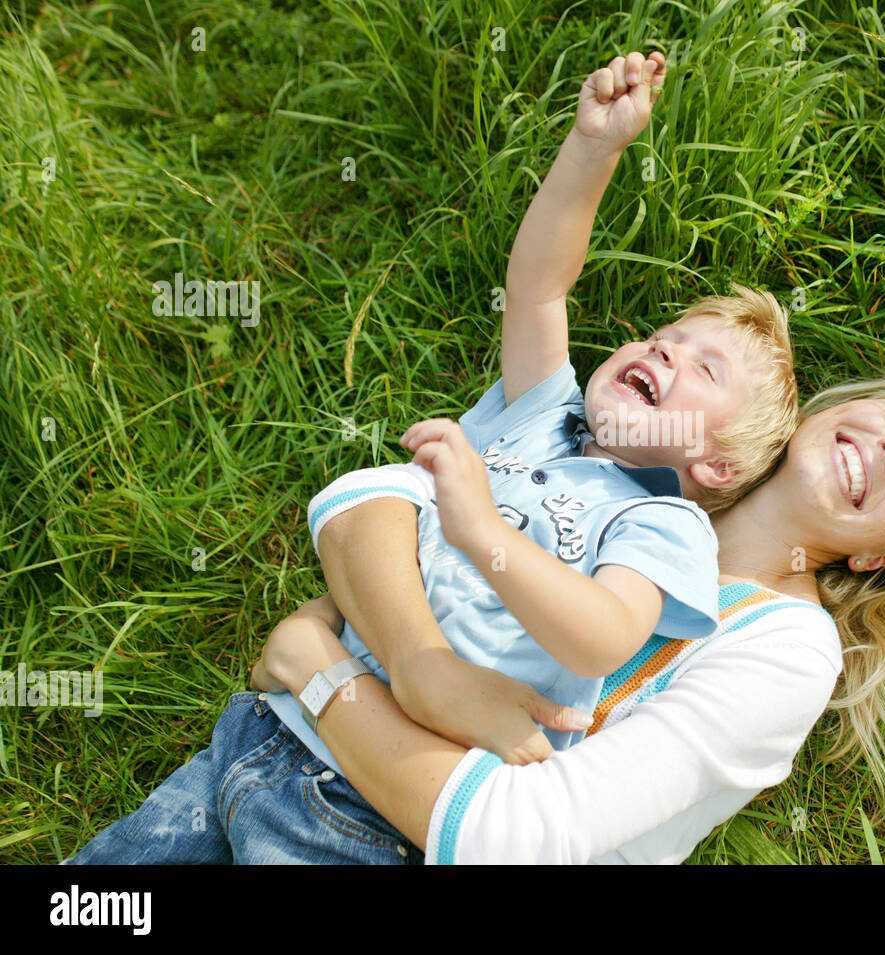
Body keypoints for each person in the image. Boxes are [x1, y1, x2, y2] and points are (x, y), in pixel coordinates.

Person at [65, 50, 800, 865]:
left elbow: (600, 637)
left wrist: (483, 525)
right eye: (663, 339)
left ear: (718, 467)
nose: (662, 354)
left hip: (374, 806)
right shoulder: (541, 417)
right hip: (275, 726)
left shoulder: (662, 522)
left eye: (702, 369)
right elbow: (539, 289)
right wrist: (595, 149)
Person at [246, 368, 885, 863]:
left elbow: (516, 839)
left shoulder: (788, 653)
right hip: (278, 749)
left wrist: (321, 669)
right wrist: (409, 659)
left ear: (876, 559)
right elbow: (396, 511)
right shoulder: (637, 479)